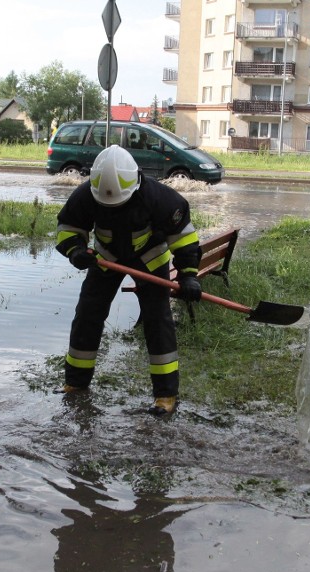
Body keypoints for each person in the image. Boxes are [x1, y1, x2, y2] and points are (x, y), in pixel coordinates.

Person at [56, 145, 202, 416]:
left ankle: (166, 396)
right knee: (87, 316)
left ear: (134, 183)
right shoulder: (86, 195)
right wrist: (75, 251)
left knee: (157, 322)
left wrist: (189, 276)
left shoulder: (162, 199)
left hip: (150, 260)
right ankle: (75, 384)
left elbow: (184, 240)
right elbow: (68, 228)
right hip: (105, 259)